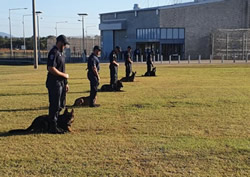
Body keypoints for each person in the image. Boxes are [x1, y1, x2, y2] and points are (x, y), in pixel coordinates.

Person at [46, 34, 69, 134]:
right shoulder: (54, 52)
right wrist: (63, 75)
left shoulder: (61, 54)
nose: (65, 46)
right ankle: (52, 126)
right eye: (64, 44)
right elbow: (51, 68)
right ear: (59, 43)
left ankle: (58, 124)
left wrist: (66, 82)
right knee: (55, 105)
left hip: (61, 83)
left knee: (61, 105)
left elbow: (62, 69)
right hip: (54, 82)